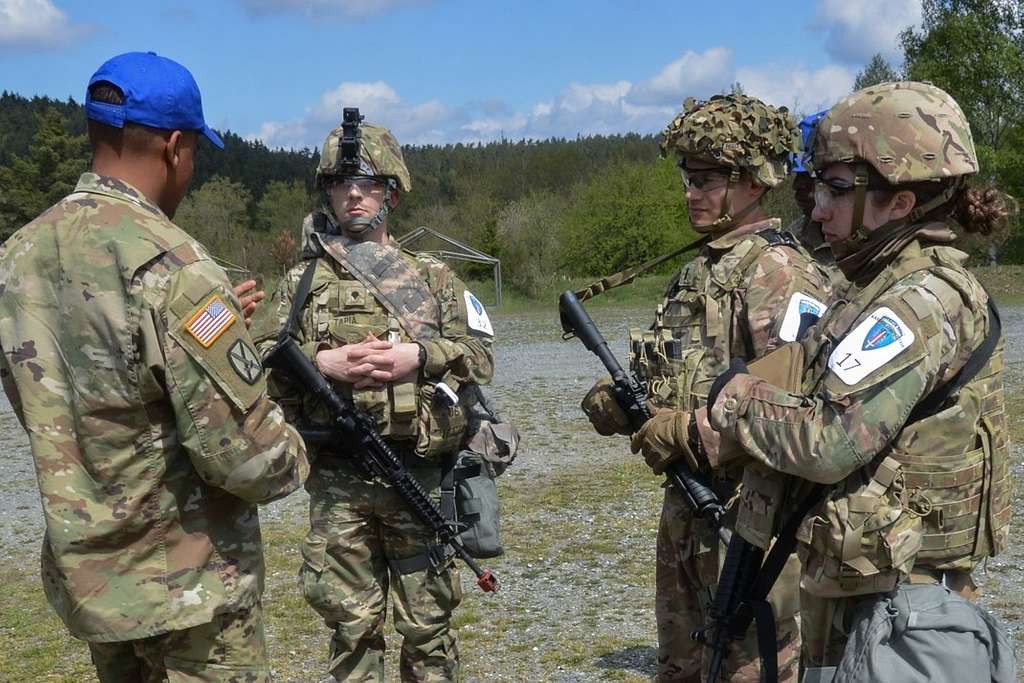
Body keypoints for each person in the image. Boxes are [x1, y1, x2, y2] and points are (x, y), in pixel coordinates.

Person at [0, 51, 309, 682]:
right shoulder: (174, 266)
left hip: (94, 578)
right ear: (175, 147)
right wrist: (300, 450)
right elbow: (246, 459)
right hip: (190, 589)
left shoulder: (17, 255)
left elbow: (67, 396)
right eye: (194, 152)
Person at [705, 81, 1014, 675]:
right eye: (819, 185)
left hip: (898, 605)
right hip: (866, 584)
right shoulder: (875, 288)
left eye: (838, 188)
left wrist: (734, 400)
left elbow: (828, 442)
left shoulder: (918, 304)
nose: (817, 206)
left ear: (899, 203)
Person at [581, 94, 833, 682]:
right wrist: (620, 400)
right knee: (684, 666)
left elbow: (800, 415)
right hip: (688, 512)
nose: (690, 192)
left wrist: (687, 431)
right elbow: (666, 373)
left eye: (706, 179)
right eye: (686, 177)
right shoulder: (696, 272)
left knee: (750, 667)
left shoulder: (778, 274)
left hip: (751, 521)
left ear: (753, 181)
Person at [253, 113, 495, 682]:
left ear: (391, 193)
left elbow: (481, 357)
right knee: (351, 629)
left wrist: (422, 356)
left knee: (428, 631)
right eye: (341, 185)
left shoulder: (433, 277)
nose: (353, 196)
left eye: (366, 185)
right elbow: (259, 357)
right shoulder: (302, 281)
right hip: (339, 482)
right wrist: (321, 362)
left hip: (419, 473)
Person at [786, 110, 843, 286]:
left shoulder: (874, 246)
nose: (797, 186)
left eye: (810, 178)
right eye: (796, 177)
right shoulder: (796, 234)